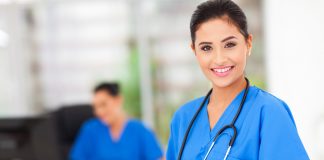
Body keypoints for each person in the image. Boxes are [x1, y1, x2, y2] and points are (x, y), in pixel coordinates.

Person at [166, 0, 309, 159]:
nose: (219, 59)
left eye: (229, 44)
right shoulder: (184, 119)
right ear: (194, 50)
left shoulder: (269, 112)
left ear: (248, 44)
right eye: (206, 48)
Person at [70, 82, 164, 160]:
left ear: (118, 100)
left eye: (103, 105)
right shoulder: (90, 130)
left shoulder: (141, 131)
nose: (99, 112)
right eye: (95, 107)